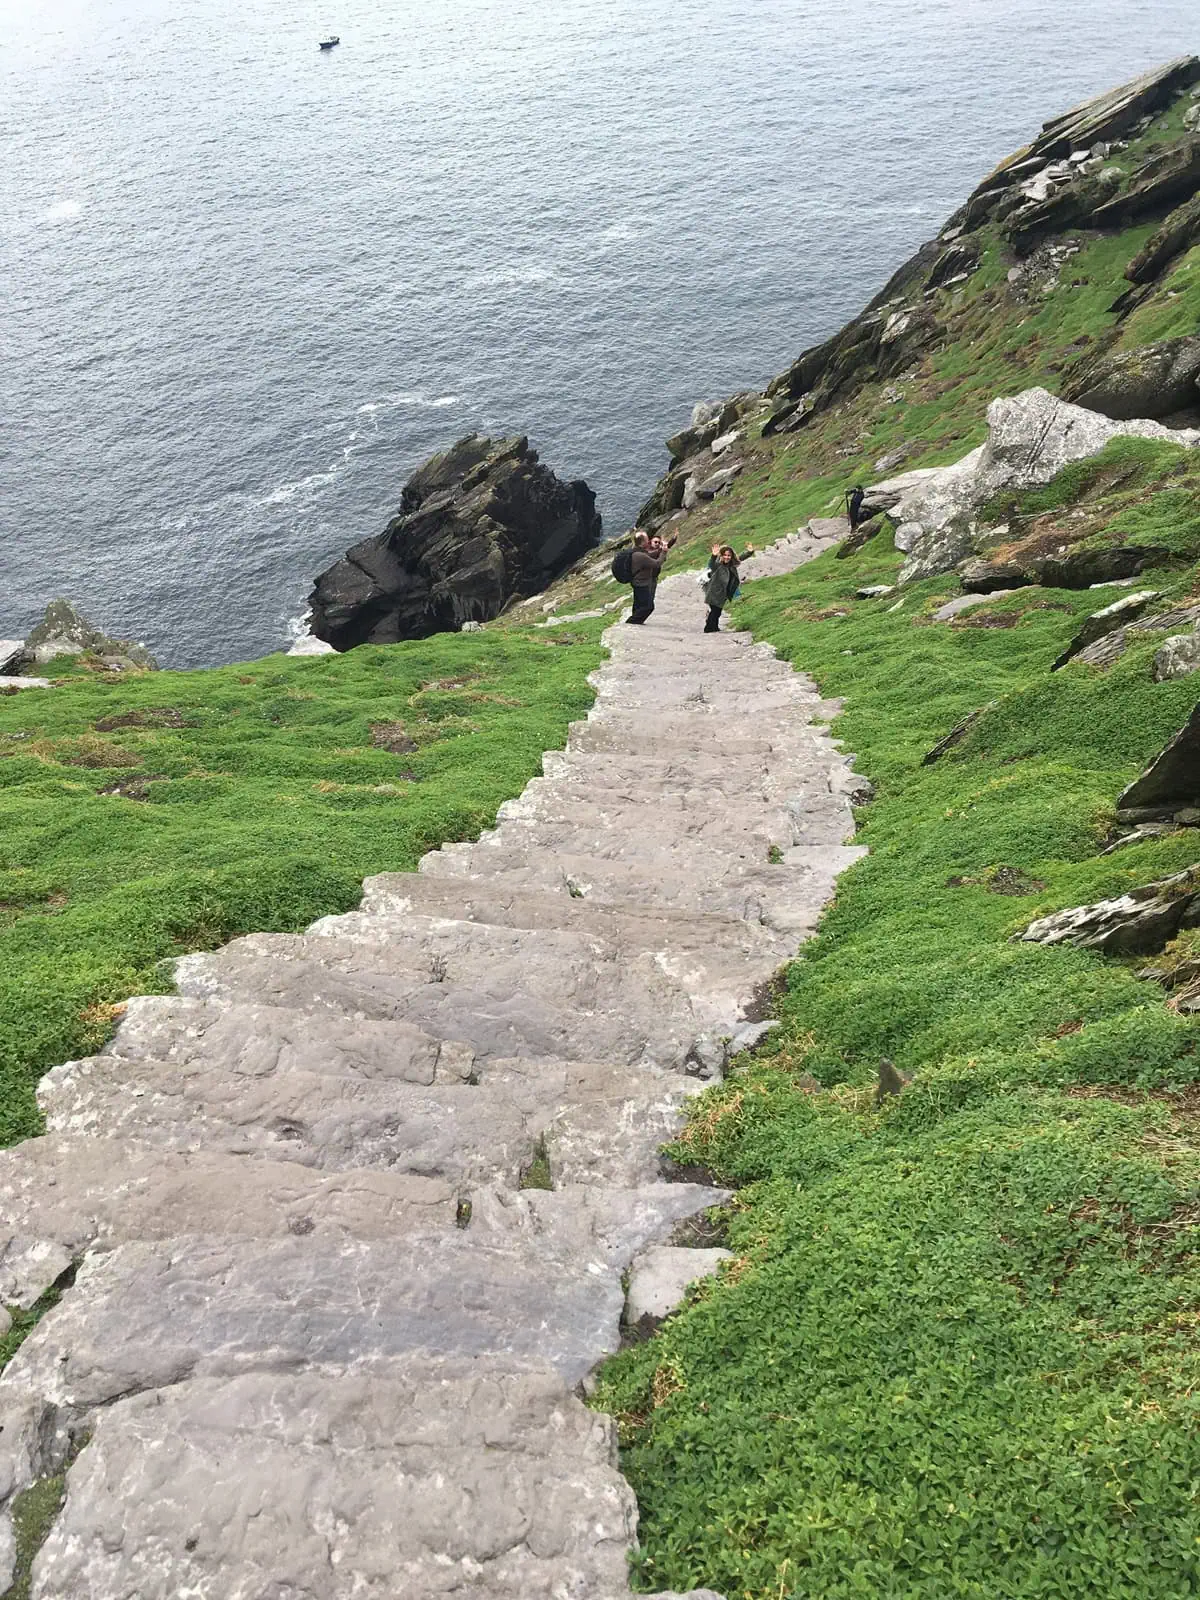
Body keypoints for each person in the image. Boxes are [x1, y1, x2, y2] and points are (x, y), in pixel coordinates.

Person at [627, 529, 676, 624]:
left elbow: (650, 554)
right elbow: (656, 563)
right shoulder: (640, 555)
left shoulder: (637, 551)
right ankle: (631, 622)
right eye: (646, 539)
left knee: (638, 604)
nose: (648, 540)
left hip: (637, 582)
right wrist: (664, 552)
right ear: (643, 542)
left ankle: (636, 621)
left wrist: (662, 549)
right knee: (649, 606)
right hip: (641, 583)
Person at [703, 544, 742, 633]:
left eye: (729, 555)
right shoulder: (718, 565)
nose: (727, 557)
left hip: (723, 593)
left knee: (718, 611)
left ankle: (714, 627)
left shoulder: (731, 566)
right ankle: (709, 629)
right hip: (714, 592)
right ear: (721, 555)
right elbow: (711, 564)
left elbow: (741, 558)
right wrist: (713, 555)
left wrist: (750, 552)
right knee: (715, 611)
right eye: (725, 555)